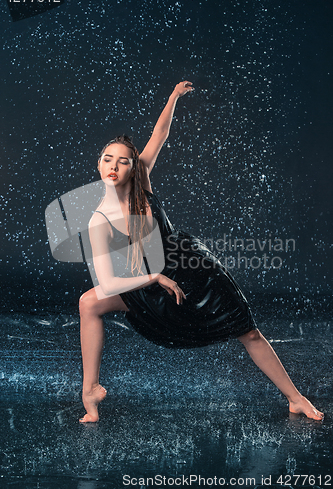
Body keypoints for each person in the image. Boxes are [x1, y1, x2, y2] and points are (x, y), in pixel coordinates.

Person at [78, 81, 324, 423]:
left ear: (133, 167)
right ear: (99, 163)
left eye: (122, 161)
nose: (114, 167)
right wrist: (155, 276)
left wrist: (173, 97)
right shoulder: (98, 221)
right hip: (152, 283)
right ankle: (90, 390)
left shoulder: (142, 180)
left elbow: (160, 134)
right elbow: (107, 281)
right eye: (108, 159)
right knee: (89, 301)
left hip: (195, 268)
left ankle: (295, 398)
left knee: (248, 331)